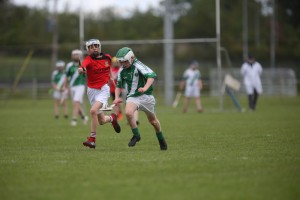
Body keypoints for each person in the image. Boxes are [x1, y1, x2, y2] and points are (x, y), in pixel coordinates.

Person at [113, 47, 167, 150]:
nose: (123, 64)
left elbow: (151, 76)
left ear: (131, 58)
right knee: (128, 112)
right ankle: (136, 135)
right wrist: (116, 98)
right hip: (133, 97)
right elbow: (119, 86)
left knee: (153, 121)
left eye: (125, 61)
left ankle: (161, 139)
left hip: (147, 97)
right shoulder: (122, 71)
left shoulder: (138, 65)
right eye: (121, 62)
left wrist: (145, 88)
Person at [78, 39, 121, 149]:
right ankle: (112, 118)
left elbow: (108, 67)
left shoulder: (107, 57)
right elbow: (82, 67)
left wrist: (111, 77)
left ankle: (92, 139)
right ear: (88, 50)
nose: (94, 48)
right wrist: (81, 70)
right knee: (101, 120)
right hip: (92, 91)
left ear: (100, 47)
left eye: (96, 46)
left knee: (93, 111)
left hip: (103, 89)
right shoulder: (88, 59)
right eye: (91, 47)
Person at [64, 49, 88, 126]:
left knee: (76, 102)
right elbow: (66, 76)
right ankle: (84, 117)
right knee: (75, 104)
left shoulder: (84, 64)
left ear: (80, 56)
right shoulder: (69, 65)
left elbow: (87, 74)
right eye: (74, 54)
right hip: (72, 86)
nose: (76, 56)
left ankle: (74, 119)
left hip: (80, 85)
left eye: (77, 54)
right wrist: (65, 87)